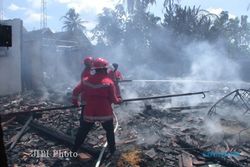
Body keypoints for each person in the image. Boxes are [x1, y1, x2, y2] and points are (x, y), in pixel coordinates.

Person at [71, 58, 122, 155]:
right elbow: (114, 100)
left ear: (94, 69)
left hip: (90, 111)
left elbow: (75, 92)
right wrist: (119, 100)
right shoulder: (109, 82)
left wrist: (75, 102)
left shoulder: (86, 80)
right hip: (104, 112)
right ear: (104, 69)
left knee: (83, 131)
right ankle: (112, 151)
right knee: (109, 132)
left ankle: (74, 150)